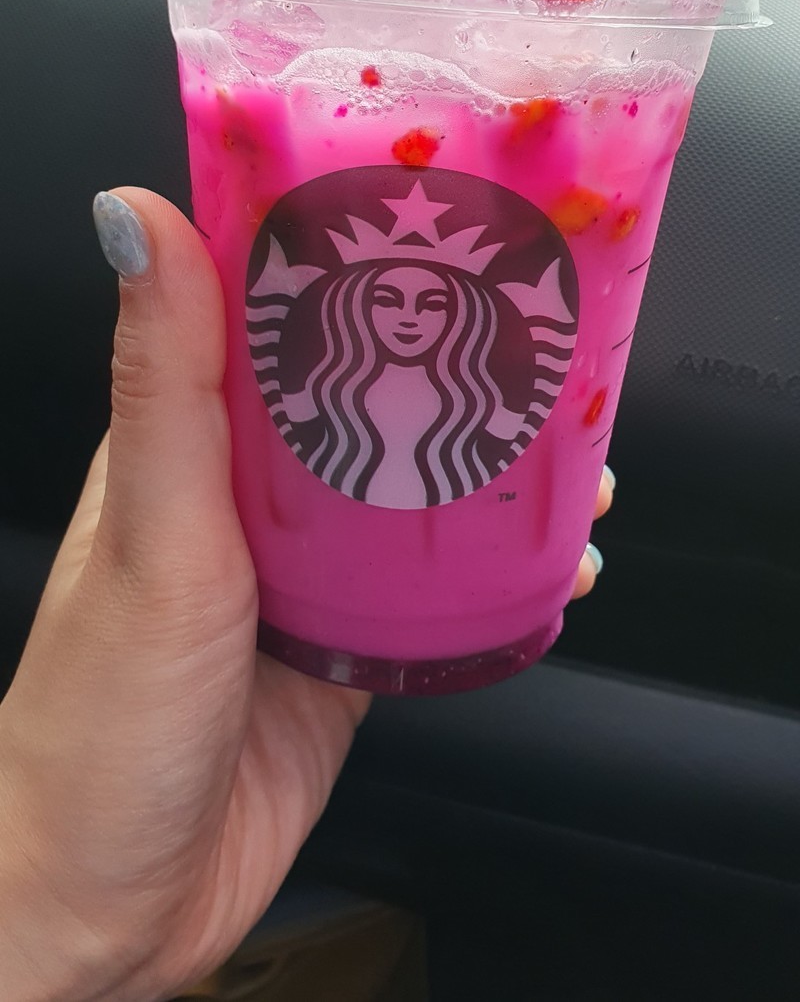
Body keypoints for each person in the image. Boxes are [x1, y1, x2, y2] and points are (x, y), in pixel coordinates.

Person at [0, 190, 614, 1002]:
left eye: (433, 302)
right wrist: (46, 902)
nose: (409, 319)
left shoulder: (478, 406)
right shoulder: (329, 396)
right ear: (353, 306)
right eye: (387, 299)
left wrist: (53, 922)